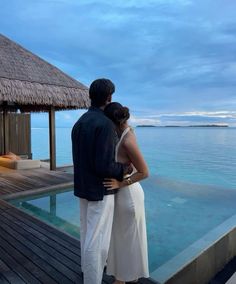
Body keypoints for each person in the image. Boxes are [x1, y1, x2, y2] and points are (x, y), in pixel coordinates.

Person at [71, 79, 132, 284]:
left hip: (82, 187)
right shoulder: (105, 125)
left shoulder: (79, 122)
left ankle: (85, 271)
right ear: (109, 98)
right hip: (100, 190)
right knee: (97, 242)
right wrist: (126, 168)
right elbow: (104, 166)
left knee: (87, 234)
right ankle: (92, 280)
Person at [103, 102, 150, 284]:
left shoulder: (128, 139)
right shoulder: (122, 133)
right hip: (123, 195)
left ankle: (122, 279)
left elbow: (145, 172)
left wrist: (121, 183)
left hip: (128, 196)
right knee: (123, 239)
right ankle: (125, 277)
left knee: (126, 240)